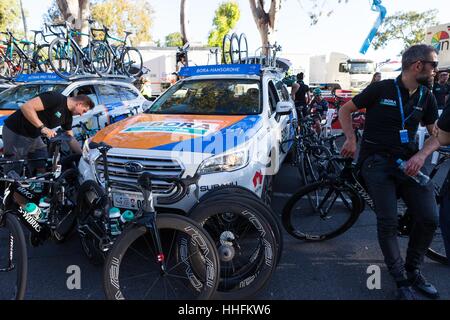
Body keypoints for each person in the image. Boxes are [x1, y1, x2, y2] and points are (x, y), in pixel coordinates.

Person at [339, 44, 441, 300]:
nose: (435, 71)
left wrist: (421, 155)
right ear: (418, 65)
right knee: (389, 222)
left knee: (429, 218)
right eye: (434, 65)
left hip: (409, 164)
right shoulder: (381, 88)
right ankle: (401, 281)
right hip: (376, 163)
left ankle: (413, 271)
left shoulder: (426, 96)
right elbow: (345, 110)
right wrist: (350, 139)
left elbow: (436, 136)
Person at [3, 91, 94, 195]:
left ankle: (36, 192)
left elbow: (70, 138)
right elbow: (26, 107)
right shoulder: (56, 98)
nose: (82, 114)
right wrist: (43, 128)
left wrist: (83, 155)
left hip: (33, 136)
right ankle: (9, 197)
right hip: (15, 131)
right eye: (83, 111)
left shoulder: (68, 117)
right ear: (79, 103)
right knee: (14, 168)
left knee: (42, 161)